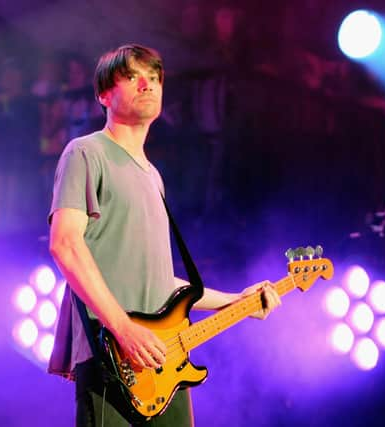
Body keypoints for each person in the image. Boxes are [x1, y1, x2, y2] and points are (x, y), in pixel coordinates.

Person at [47, 43, 282, 427]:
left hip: (163, 364)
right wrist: (123, 328)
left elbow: (159, 281)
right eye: (133, 77)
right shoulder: (86, 152)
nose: (148, 84)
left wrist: (236, 301)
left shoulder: (153, 177)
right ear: (104, 94)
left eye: (155, 78)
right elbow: (66, 245)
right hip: (113, 360)